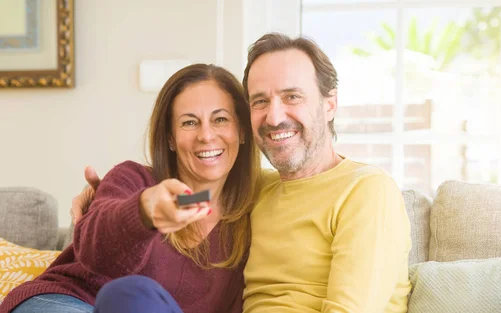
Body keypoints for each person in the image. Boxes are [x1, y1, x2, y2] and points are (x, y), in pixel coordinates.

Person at [71, 33, 412, 313]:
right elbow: (189, 197)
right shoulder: (257, 190)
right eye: (260, 101)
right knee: (129, 296)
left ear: (329, 103)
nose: (275, 116)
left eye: (292, 96)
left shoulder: (367, 191)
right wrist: (110, 203)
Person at [0, 64, 261, 313]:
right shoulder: (132, 178)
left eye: (221, 119)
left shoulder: (260, 205)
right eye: (189, 122)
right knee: (131, 295)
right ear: (170, 138)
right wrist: (143, 211)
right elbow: (94, 247)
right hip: (67, 301)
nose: (205, 135)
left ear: (242, 131)